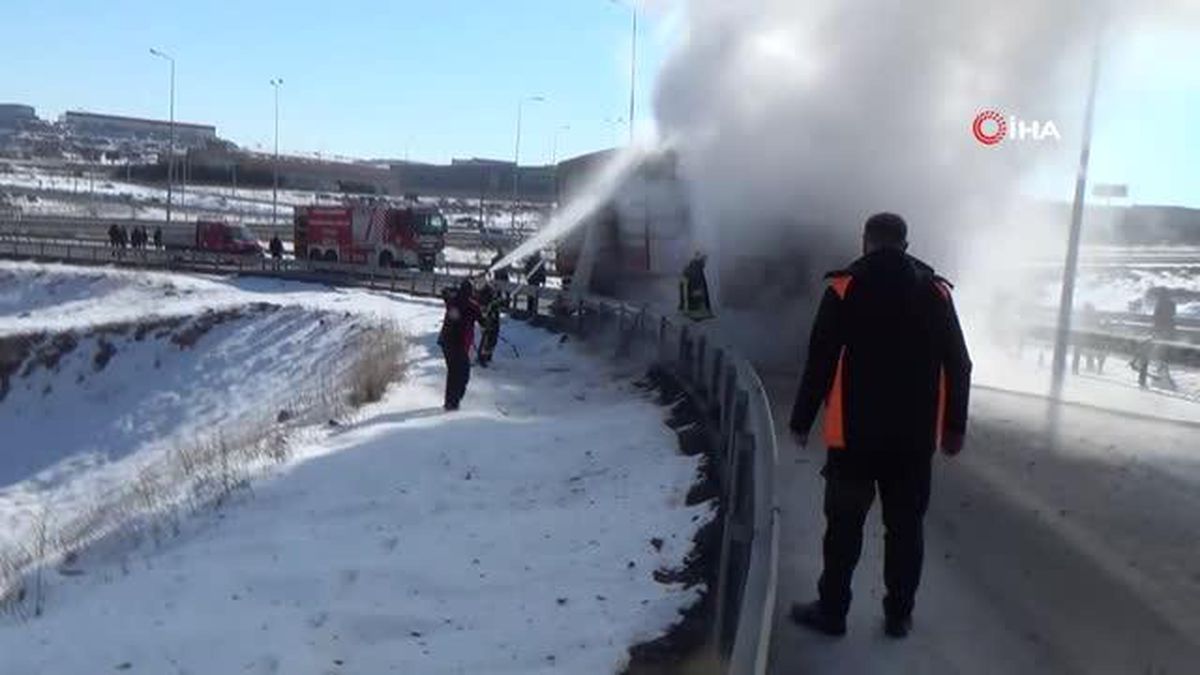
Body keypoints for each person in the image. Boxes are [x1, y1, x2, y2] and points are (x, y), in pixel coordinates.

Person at [788, 212, 972, 639]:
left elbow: (820, 359)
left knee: (844, 526)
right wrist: (954, 428)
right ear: (905, 245)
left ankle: (833, 612)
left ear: (866, 241)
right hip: (912, 441)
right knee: (905, 529)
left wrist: (801, 420)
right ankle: (898, 616)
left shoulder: (845, 287)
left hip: (854, 436)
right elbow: (959, 363)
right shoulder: (935, 293)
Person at [437, 279, 481, 411]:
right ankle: (454, 402)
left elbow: (444, 292)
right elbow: (484, 321)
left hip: (446, 342)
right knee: (463, 373)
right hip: (458, 344)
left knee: (453, 372)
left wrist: (451, 290)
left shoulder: (452, 301)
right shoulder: (472, 306)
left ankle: (450, 402)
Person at [679, 251, 714, 320]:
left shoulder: (696, 266)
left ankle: (694, 311)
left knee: (695, 299)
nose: (705, 263)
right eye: (704, 260)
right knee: (695, 300)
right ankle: (695, 313)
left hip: (693, 289)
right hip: (694, 290)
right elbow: (695, 282)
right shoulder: (695, 267)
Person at [476, 283, 502, 367]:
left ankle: (488, 356)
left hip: (494, 321)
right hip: (487, 321)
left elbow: (498, 304)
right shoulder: (483, 297)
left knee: (492, 339)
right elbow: (483, 308)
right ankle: (482, 357)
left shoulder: (493, 299)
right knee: (486, 338)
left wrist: (499, 302)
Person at [523, 251, 546, 317]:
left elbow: (526, 269)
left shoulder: (530, 260)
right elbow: (542, 272)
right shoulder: (539, 261)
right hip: (536, 280)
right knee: (535, 296)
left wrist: (527, 277)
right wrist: (543, 281)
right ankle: (534, 311)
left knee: (530, 296)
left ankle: (529, 309)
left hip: (531, 280)